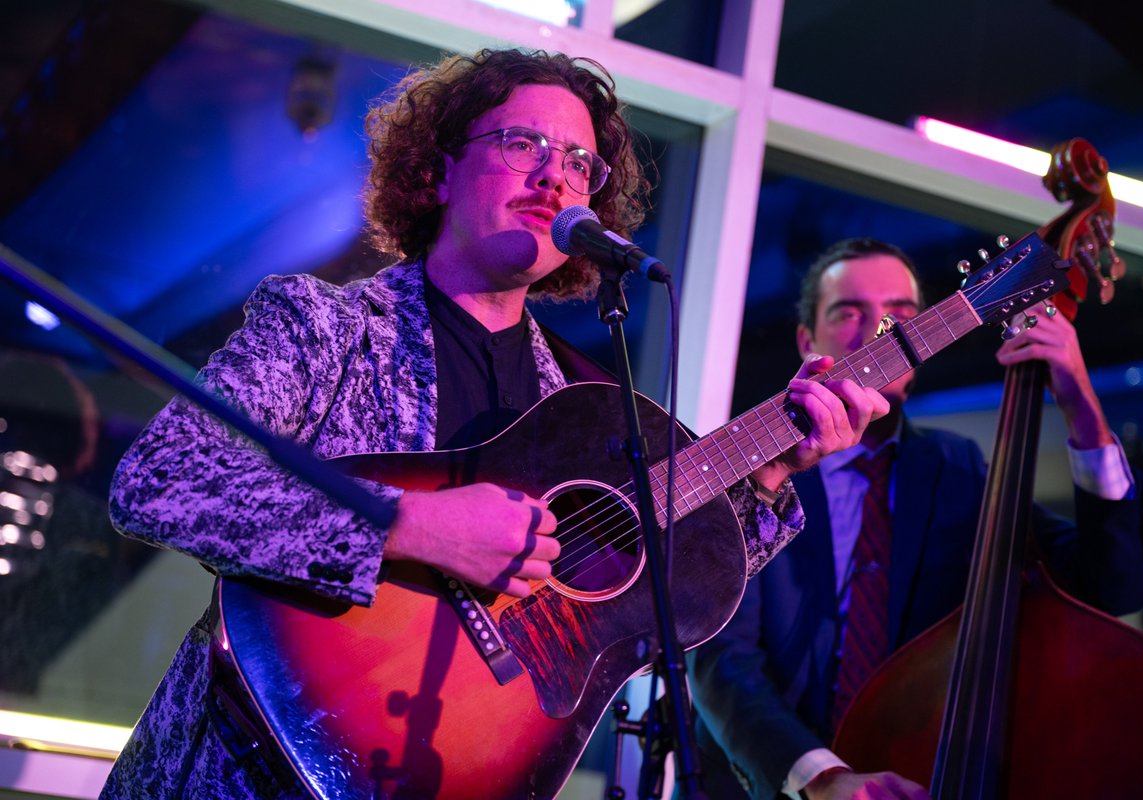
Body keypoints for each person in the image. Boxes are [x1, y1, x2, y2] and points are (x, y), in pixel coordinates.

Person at [98, 50, 889, 798]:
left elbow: (657, 597)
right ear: (436, 171)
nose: (554, 176)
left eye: (579, 162)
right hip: (240, 767)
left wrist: (770, 476)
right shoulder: (327, 329)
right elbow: (159, 480)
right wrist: (408, 525)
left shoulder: (584, 399)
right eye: (522, 144)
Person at [688, 238, 1143, 800]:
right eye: (849, 312)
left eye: (900, 316)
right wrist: (821, 778)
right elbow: (722, 662)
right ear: (807, 340)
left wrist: (1078, 397)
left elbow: (1112, 584)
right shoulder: (758, 472)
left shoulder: (961, 469)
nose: (878, 332)